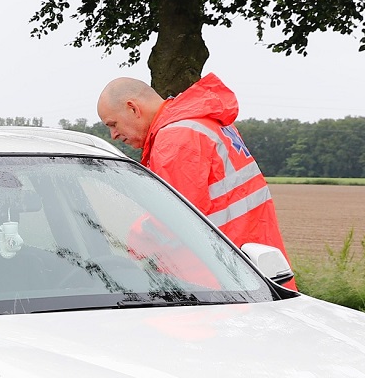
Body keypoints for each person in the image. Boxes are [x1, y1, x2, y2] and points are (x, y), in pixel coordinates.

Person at [96, 73, 294, 282]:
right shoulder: (204, 122)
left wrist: (133, 240)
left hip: (222, 281)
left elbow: (175, 223)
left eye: (113, 124)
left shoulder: (175, 140)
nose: (113, 135)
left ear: (133, 108)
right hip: (258, 265)